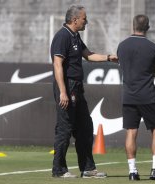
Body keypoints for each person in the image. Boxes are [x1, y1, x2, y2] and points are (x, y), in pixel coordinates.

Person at [50, 4, 118, 178]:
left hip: (78, 88)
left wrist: (109, 57)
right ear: (75, 19)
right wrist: (63, 92)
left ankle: (87, 169)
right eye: (84, 18)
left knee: (85, 128)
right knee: (65, 129)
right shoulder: (62, 36)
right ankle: (59, 169)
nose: (86, 21)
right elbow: (57, 64)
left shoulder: (75, 36)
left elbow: (88, 54)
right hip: (67, 86)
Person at [117, 14, 155, 181]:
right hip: (147, 95)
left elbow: (123, 67)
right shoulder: (153, 47)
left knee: (131, 132)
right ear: (148, 27)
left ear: (133, 26)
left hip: (129, 96)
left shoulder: (122, 46)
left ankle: (132, 171)